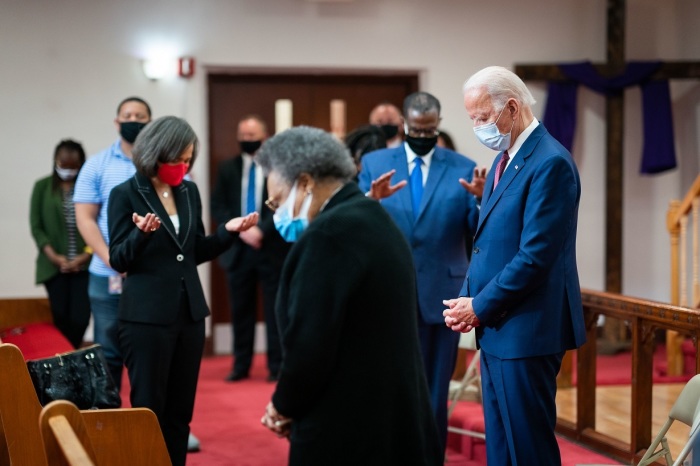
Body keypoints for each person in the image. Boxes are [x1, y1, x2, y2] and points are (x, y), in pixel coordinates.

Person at [257, 126, 442, 466]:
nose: (275, 212)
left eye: (277, 199)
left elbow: (310, 343)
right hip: (390, 418)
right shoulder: (371, 216)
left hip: (349, 427)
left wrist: (284, 405)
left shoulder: (329, 235)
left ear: (306, 181)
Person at [443, 66, 586, 465]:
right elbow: (488, 243)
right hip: (500, 326)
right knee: (503, 446)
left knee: (528, 448)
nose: (477, 127)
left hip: (528, 328)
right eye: (472, 118)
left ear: (511, 107)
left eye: (482, 118)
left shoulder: (550, 162)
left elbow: (535, 255)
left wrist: (480, 305)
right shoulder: (508, 157)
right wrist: (466, 299)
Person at [108, 116, 258, 466]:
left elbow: (194, 251)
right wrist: (140, 234)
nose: (184, 166)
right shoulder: (125, 193)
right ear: (157, 153)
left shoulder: (188, 191)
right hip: (145, 317)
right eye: (178, 158)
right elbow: (118, 259)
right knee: (149, 409)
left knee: (179, 411)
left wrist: (228, 232)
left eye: (189, 159)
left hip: (189, 314)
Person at [358, 91, 481, 456]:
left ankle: (430, 456)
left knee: (434, 390)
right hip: (387, 292)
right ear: (404, 125)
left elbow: (478, 232)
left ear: (438, 125)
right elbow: (356, 225)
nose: (422, 136)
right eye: (416, 129)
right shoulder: (375, 162)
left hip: (441, 294)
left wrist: (478, 200)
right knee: (387, 387)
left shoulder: (462, 166)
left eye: (429, 131)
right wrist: (370, 200)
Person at [74, 96, 152, 391]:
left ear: (149, 122)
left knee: (152, 353)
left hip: (150, 277)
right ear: (117, 121)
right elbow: (86, 218)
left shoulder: (163, 166)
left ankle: (155, 423)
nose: (133, 120)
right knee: (107, 351)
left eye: (140, 115)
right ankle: (110, 422)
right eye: (127, 115)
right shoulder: (96, 165)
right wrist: (113, 259)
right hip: (106, 275)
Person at [211, 115, 290, 383]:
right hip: (238, 250)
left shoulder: (278, 168)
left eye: (252, 135)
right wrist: (242, 231)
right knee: (240, 310)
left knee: (274, 310)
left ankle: (276, 366)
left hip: (271, 249)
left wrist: (261, 230)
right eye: (243, 135)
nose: (247, 140)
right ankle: (240, 365)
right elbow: (218, 205)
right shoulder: (227, 168)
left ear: (265, 136)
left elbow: (283, 202)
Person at [30, 139, 92, 348]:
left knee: (81, 318)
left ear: (81, 164)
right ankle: (63, 362)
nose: (67, 170)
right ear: (55, 161)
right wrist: (54, 257)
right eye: (63, 165)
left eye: (73, 166)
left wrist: (86, 254)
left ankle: (71, 355)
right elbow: (36, 226)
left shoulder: (89, 186)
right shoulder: (42, 187)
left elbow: (98, 224)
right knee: (60, 319)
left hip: (85, 266)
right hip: (53, 267)